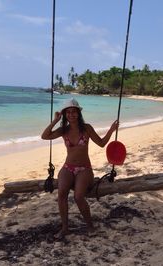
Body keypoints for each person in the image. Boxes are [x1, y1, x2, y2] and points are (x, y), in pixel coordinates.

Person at [41, 98, 119, 238]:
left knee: (78, 196)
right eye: (68, 112)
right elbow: (44, 136)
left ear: (78, 113)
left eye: (74, 112)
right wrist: (55, 120)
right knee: (62, 193)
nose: (71, 115)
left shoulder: (87, 128)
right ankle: (65, 228)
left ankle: (90, 226)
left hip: (84, 169)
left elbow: (101, 143)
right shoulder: (63, 130)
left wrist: (111, 130)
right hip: (68, 167)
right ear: (65, 115)